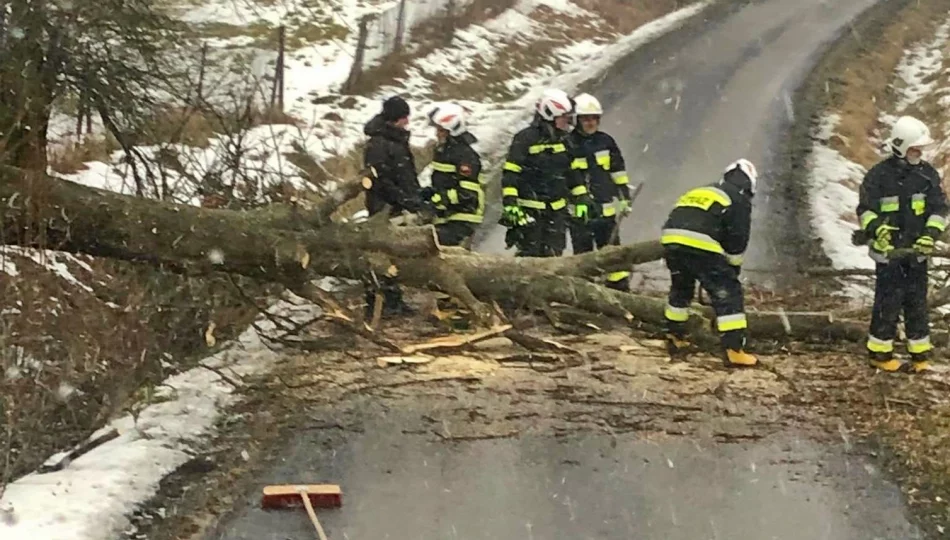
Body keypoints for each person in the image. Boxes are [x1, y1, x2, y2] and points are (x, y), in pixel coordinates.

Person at [856, 115, 948, 373]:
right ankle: (880, 354)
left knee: (917, 304)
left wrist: (930, 233)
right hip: (889, 255)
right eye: (914, 148)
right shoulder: (878, 177)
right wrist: (876, 229)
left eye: (921, 149)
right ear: (900, 146)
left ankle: (920, 356)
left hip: (917, 254)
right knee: (888, 303)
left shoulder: (927, 175)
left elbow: (939, 209)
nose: (919, 153)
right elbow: (865, 210)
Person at [660, 159, 758, 367]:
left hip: (671, 239)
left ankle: (674, 336)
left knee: (681, 287)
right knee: (728, 293)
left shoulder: (705, 190)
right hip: (699, 243)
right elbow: (737, 240)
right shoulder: (738, 199)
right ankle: (734, 349)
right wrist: (732, 270)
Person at [500, 88, 591, 257]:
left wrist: (582, 196)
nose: (567, 122)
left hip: (557, 213)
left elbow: (573, 174)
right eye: (563, 117)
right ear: (550, 114)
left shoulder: (566, 140)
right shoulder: (525, 138)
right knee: (530, 256)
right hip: (530, 211)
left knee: (554, 257)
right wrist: (510, 202)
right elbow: (511, 173)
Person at [361, 95, 422, 317]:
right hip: (384, 207)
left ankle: (393, 300)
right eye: (404, 117)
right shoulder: (379, 144)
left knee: (394, 255)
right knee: (383, 254)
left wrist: (414, 195)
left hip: (398, 204)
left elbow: (403, 172)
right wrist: (402, 199)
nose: (407, 122)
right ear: (396, 119)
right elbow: (380, 180)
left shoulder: (394, 139)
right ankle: (378, 302)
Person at [568, 92, 633, 290]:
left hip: (606, 210)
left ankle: (620, 289)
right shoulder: (568, 143)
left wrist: (624, 196)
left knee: (613, 255)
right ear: (577, 120)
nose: (591, 123)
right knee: (583, 256)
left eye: (595, 118)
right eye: (586, 119)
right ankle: (586, 292)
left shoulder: (606, 141)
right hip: (581, 211)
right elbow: (568, 176)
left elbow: (618, 170)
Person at [420, 102, 485, 247]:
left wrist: (440, 199)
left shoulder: (465, 156)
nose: (437, 133)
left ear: (452, 130)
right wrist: (429, 193)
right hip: (446, 216)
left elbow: (468, 194)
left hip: (463, 217)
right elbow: (444, 182)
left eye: (441, 130)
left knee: (428, 244)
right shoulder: (444, 151)